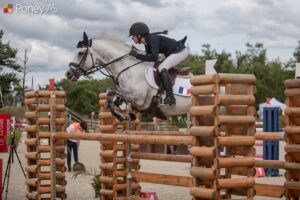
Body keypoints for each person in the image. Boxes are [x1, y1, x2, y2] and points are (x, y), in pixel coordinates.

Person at [128, 22, 188, 105]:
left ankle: (170, 97)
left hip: (180, 52)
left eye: (133, 36)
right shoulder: (146, 43)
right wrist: (135, 56)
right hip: (172, 53)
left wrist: (137, 55)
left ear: (139, 35)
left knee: (162, 68)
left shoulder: (153, 39)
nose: (132, 39)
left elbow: (154, 57)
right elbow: (149, 59)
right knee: (158, 67)